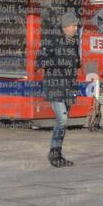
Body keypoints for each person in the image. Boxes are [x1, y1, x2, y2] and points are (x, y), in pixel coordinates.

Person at [38, 11, 83, 167]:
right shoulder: (52, 40)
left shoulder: (74, 41)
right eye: (73, 25)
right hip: (55, 86)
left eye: (77, 25)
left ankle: (57, 152)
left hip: (69, 86)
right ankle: (54, 152)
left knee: (63, 121)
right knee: (62, 119)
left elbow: (77, 62)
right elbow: (41, 60)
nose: (76, 28)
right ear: (65, 27)